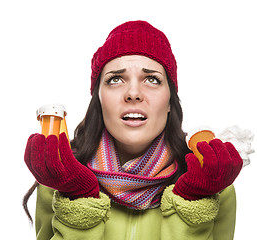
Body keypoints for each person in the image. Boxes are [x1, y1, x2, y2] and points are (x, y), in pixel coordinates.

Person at [23, 20, 243, 240]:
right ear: (98, 100)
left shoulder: (211, 183)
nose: (133, 93)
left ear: (169, 102)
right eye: (116, 79)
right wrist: (79, 201)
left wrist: (193, 204)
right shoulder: (60, 180)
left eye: (152, 79)